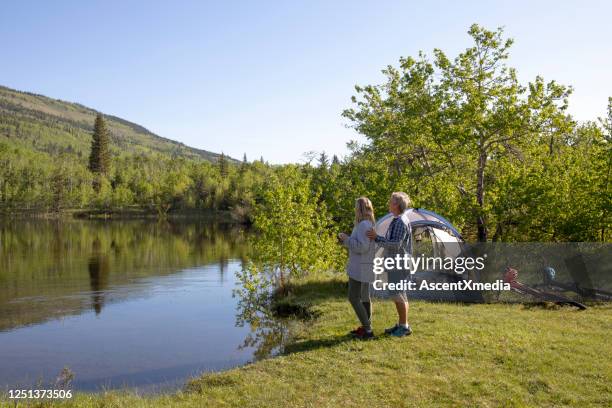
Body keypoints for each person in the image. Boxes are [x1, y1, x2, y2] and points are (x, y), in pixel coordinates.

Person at [366, 192, 413, 337]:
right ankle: (402, 325)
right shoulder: (398, 219)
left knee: (396, 294)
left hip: (398, 263)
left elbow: (396, 245)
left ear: (397, 205)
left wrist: (376, 238)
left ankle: (404, 327)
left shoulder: (399, 222)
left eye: (391, 201)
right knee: (400, 294)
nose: (388, 203)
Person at [338, 197, 377, 340]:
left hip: (360, 267)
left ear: (359, 209)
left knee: (353, 297)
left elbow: (362, 247)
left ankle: (367, 330)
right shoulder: (370, 223)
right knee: (365, 297)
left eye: (356, 207)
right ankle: (367, 328)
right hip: (367, 265)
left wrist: (346, 239)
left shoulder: (362, 225)